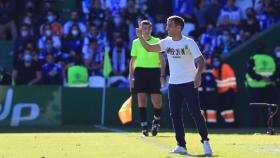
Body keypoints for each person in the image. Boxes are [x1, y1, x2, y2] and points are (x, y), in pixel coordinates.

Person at [135, 15, 212, 156]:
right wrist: (140, 36)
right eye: (167, 25)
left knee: (196, 113)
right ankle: (181, 145)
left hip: (189, 83)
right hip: (173, 84)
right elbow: (150, 48)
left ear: (179, 27)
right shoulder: (166, 42)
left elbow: (200, 60)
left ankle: (205, 142)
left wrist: (198, 74)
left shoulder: (189, 42)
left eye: (170, 25)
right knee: (175, 115)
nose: (167, 28)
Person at [129, 20, 165, 137]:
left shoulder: (157, 41)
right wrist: (131, 78)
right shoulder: (135, 42)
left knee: (157, 103)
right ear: (140, 29)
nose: (146, 30)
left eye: (148, 28)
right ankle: (144, 126)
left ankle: (156, 121)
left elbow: (162, 60)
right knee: (141, 100)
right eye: (144, 28)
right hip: (140, 72)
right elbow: (132, 61)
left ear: (151, 29)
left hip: (154, 72)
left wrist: (162, 75)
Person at [245, 52, 278, 127]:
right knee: (267, 109)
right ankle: (269, 127)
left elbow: (249, 72)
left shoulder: (253, 58)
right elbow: (276, 72)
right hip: (267, 86)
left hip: (255, 87)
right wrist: (270, 79)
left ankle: (254, 128)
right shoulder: (270, 58)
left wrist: (260, 78)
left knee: (256, 109)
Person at [212, 54, 237, 127]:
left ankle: (231, 125)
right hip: (220, 93)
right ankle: (228, 124)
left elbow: (232, 80)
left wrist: (231, 89)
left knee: (228, 110)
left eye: (217, 60)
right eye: (214, 61)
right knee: (223, 111)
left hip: (229, 91)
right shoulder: (214, 70)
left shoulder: (226, 67)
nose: (215, 62)